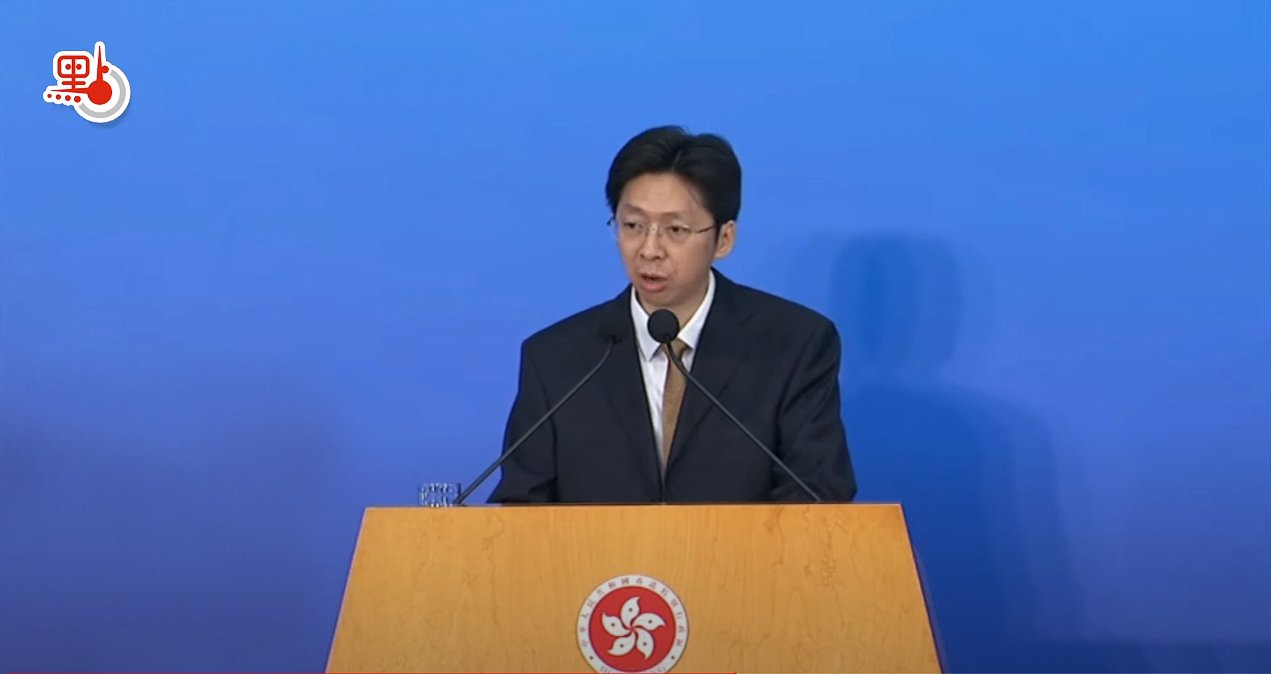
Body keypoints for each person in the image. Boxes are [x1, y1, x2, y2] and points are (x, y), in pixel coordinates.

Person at [488, 126, 857, 503]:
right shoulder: (556, 360)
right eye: (633, 225)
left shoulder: (794, 345)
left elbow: (817, 493)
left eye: (675, 229)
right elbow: (522, 505)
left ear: (724, 239)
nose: (649, 249)